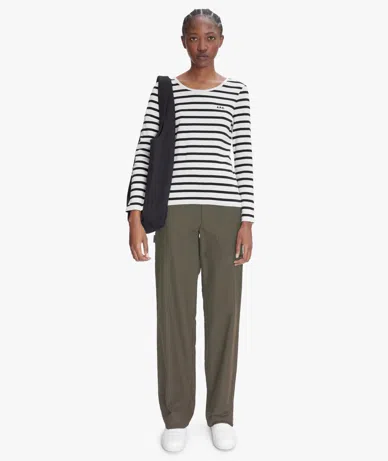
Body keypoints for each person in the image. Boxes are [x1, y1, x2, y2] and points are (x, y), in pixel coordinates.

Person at [126, 8, 255, 452]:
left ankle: (221, 414)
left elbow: (243, 156)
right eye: (194, 37)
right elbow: (145, 150)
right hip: (175, 214)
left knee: (224, 315)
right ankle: (177, 415)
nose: (202, 46)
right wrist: (134, 215)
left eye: (210, 37)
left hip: (225, 213)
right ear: (183, 40)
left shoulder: (236, 92)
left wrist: (247, 220)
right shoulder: (165, 90)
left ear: (221, 40)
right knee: (174, 315)